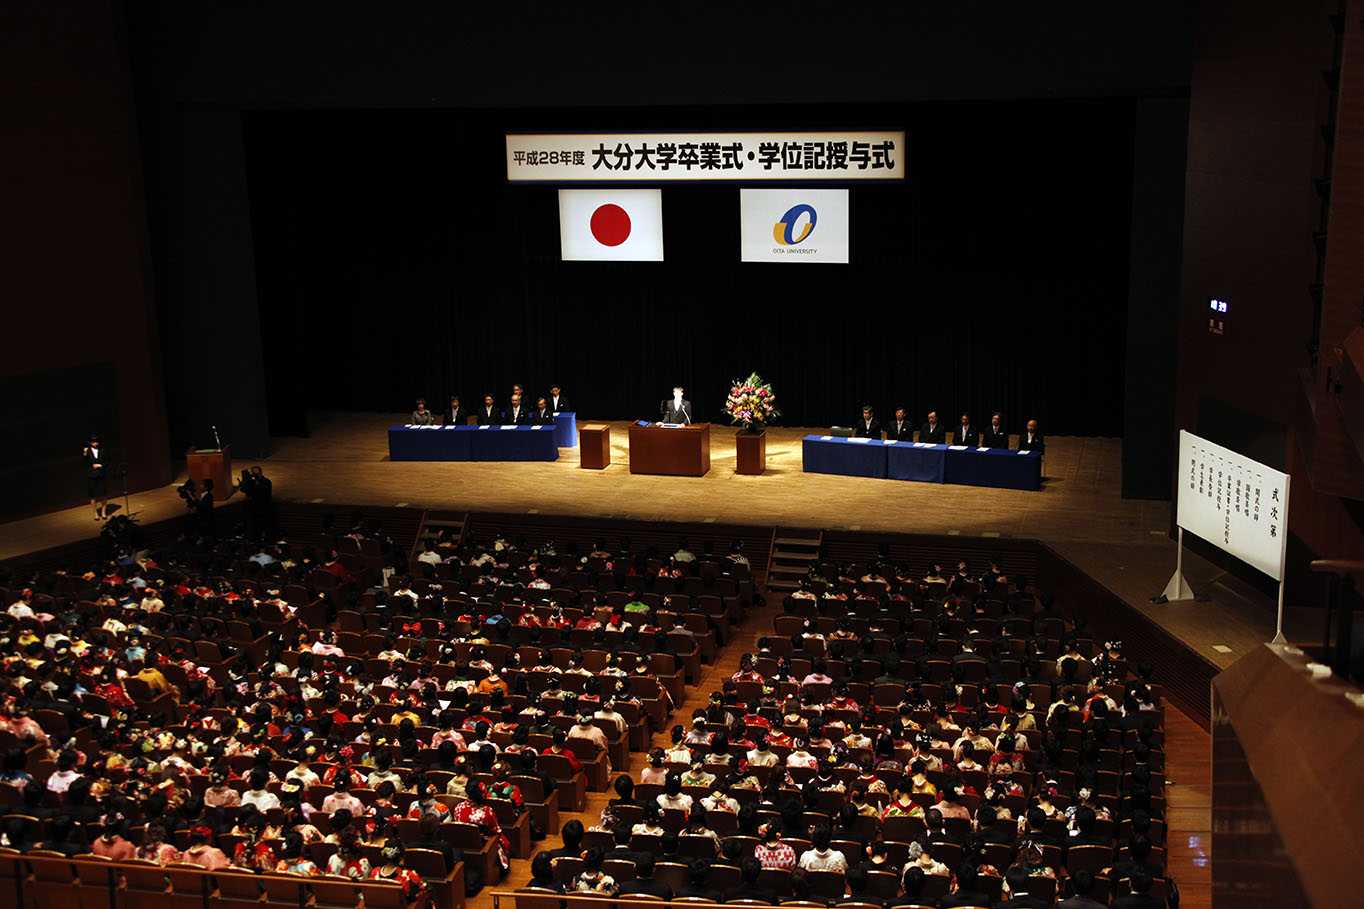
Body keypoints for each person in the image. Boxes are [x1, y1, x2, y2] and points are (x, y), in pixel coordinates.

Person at [83, 434, 108, 521]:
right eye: (93, 442)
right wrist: (85, 454)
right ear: (90, 442)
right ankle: (95, 513)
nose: (95, 444)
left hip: (101, 474)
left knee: (104, 494)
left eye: (96, 442)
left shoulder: (103, 450)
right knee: (93, 495)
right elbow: (84, 463)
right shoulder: (87, 451)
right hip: (92, 475)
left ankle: (104, 512)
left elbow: (107, 462)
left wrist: (101, 465)